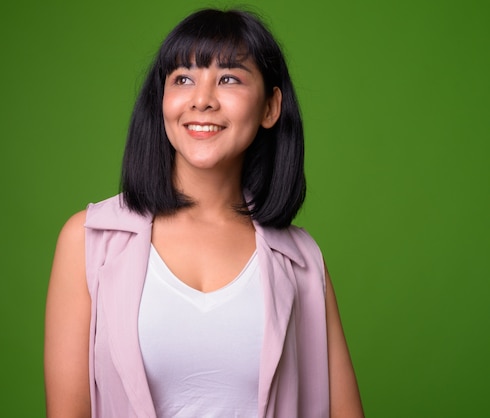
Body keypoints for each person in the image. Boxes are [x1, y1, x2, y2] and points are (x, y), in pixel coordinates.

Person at [44, 8, 364, 418]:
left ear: (270, 107)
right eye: (183, 78)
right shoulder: (89, 239)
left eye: (229, 78)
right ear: (162, 101)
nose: (202, 99)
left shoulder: (301, 259)